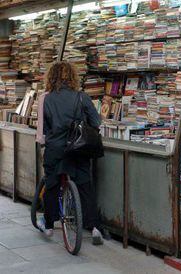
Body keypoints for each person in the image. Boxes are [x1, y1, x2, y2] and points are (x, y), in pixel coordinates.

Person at [36, 61, 103, 245]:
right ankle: (95, 228)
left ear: (51, 77)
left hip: (55, 149)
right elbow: (96, 122)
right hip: (79, 148)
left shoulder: (45, 98)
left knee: (52, 185)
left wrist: (44, 144)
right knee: (85, 186)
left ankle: (49, 225)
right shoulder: (82, 97)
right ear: (73, 77)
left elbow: (41, 133)